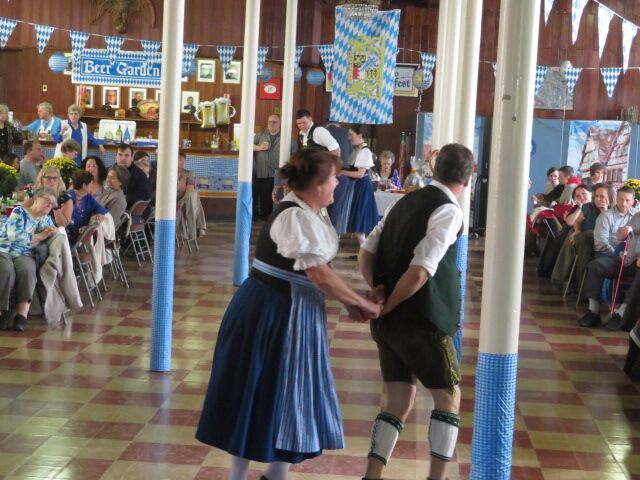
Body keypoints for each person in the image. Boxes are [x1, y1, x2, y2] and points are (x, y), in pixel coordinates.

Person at [196, 148, 381, 479]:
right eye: (334, 178)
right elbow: (318, 273)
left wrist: (352, 300)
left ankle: (276, 473)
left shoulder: (312, 213)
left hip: (295, 310)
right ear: (317, 184)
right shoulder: (293, 216)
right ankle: (238, 475)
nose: (338, 184)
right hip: (270, 311)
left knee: (289, 391)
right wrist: (361, 303)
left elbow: (321, 270)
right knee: (257, 388)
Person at [357, 143, 474, 480]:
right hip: (423, 321)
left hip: (389, 325)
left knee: (397, 400)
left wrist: (378, 291)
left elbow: (366, 251)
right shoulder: (449, 211)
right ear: (469, 178)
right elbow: (421, 271)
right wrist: (390, 303)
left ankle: (372, 476)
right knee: (448, 397)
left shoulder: (403, 201)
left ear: (434, 168)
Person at [0, 186, 58, 332]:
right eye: (47, 200)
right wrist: (40, 236)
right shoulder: (19, 212)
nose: (49, 205)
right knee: (7, 271)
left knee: (28, 270)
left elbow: (55, 233)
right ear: (36, 199)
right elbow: (13, 235)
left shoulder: (46, 220)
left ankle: (22, 315)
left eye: (52, 203)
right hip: (4, 249)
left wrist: (54, 231)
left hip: (24, 253)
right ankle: (2, 312)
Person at [579, 185, 638, 328]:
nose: (623, 203)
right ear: (616, 199)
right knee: (595, 266)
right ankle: (593, 311)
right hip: (617, 257)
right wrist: (619, 246)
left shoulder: (636, 214)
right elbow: (606, 241)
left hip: (635, 261)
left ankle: (621, 314)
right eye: (621, 199)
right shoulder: (609, 216)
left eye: (627, 200)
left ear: (633, 202)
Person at [328, 124, 378, 245]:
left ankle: (366, 250)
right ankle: (364, 250)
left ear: (360, 135)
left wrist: (341, 172)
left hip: (361, 187)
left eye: (351, 135)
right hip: (356, 186)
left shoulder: (365, 151)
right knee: (356, 223)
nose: (349, 138)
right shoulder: (357, 150)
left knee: (359, 223)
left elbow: (360, 174)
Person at [253, 115, 295, 219]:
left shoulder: (286, 136)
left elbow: (294, 151)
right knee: (264, 196)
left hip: (279, 174)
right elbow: (247, 145)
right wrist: (259, 147)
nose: (272, 124)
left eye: (275, 122)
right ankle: (265, 218)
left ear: (279, 124)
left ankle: (277, 217)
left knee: (279, 197)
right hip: (263, 172)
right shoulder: (260, 135)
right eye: (270, 121)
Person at [66, 170, 108, 244]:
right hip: (70, 238)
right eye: (90, 184)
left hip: (84, 236)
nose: (92, 186)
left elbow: (100, 207)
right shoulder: (67, 198)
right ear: (84, 186)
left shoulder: (88, 197)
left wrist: (100, 213)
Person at [176, 151, 207, 240]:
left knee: (192, 196)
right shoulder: (166, 173)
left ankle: (191, 229)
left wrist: (180, 203)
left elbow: (190, 190)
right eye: (179, 159)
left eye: (183, 160)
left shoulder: (188, 174)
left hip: (183, 201)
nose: (182, 162)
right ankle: (195, 228)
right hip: (171, 202)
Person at [99, 165, 130, 229]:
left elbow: (110, 224)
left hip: (101, 231)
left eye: (112, 178)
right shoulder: (109, 191)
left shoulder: (119, 200)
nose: (108, 180)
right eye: (108, 177)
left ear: (121, 182)